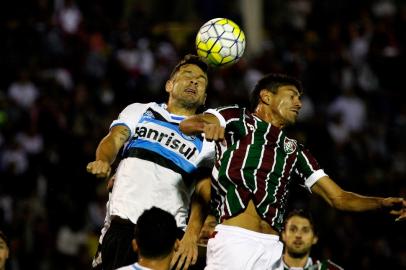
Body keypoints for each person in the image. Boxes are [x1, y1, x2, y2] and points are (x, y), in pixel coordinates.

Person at [179, 73, 406, 270]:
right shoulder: (237, 118)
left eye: (300, 98)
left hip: (273, 249)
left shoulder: (295, 151)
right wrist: (207, 126)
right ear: (266, 97)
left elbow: (338, 198)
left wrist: (380, 203)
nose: (299, 103)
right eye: (292, 95)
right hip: (235, 241)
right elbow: (188, 124)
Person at [86, 54, 214, 270]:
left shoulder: (207, 136)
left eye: (201, 81)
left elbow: (204, 190)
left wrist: (191, 236)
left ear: (204, 97)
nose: (194, 81)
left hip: (169, 236)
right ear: (169, 85)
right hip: (123, 228)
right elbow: (114, 139)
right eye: (188, 75)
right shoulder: (140, 110)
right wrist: (103, 160)